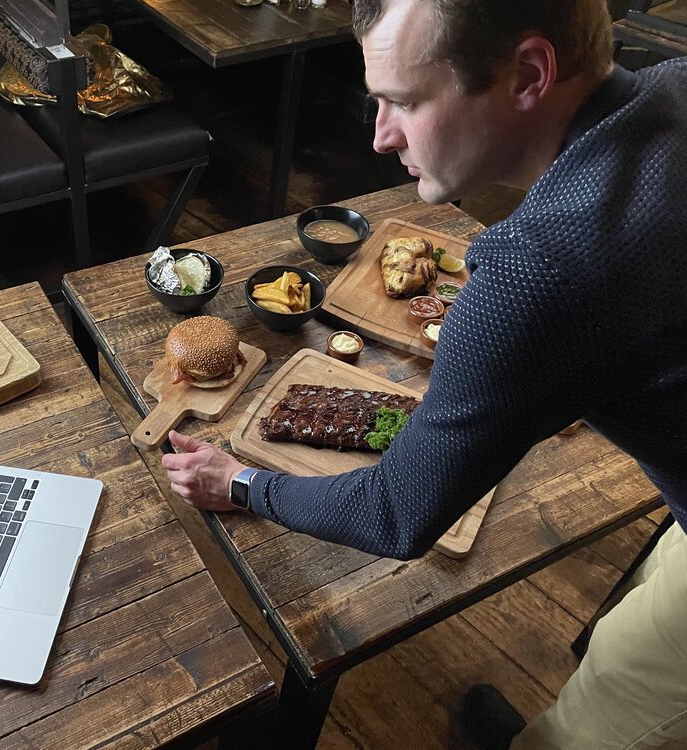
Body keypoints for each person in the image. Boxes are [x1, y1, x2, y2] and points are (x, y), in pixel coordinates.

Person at [160, 0, 687, 747]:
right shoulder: (675, 81)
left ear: (530, 73)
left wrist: (238, 483)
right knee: (631, 634)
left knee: (600, 729)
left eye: (402, 101)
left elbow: (395, 514)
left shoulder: (534, 276)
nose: (380, 137)